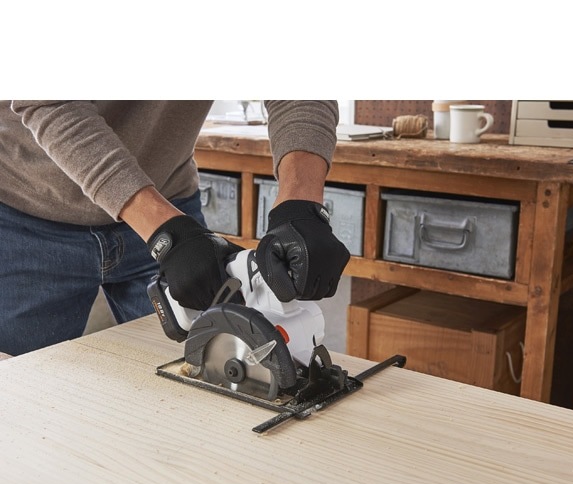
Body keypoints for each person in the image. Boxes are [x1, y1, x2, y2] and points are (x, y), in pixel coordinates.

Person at [0, 100, 350, 356]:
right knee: (20, 397)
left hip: (167, 199)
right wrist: (168, 235)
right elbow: (49, 102)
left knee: (206, 368)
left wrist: (301, 204)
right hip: (28, 212)